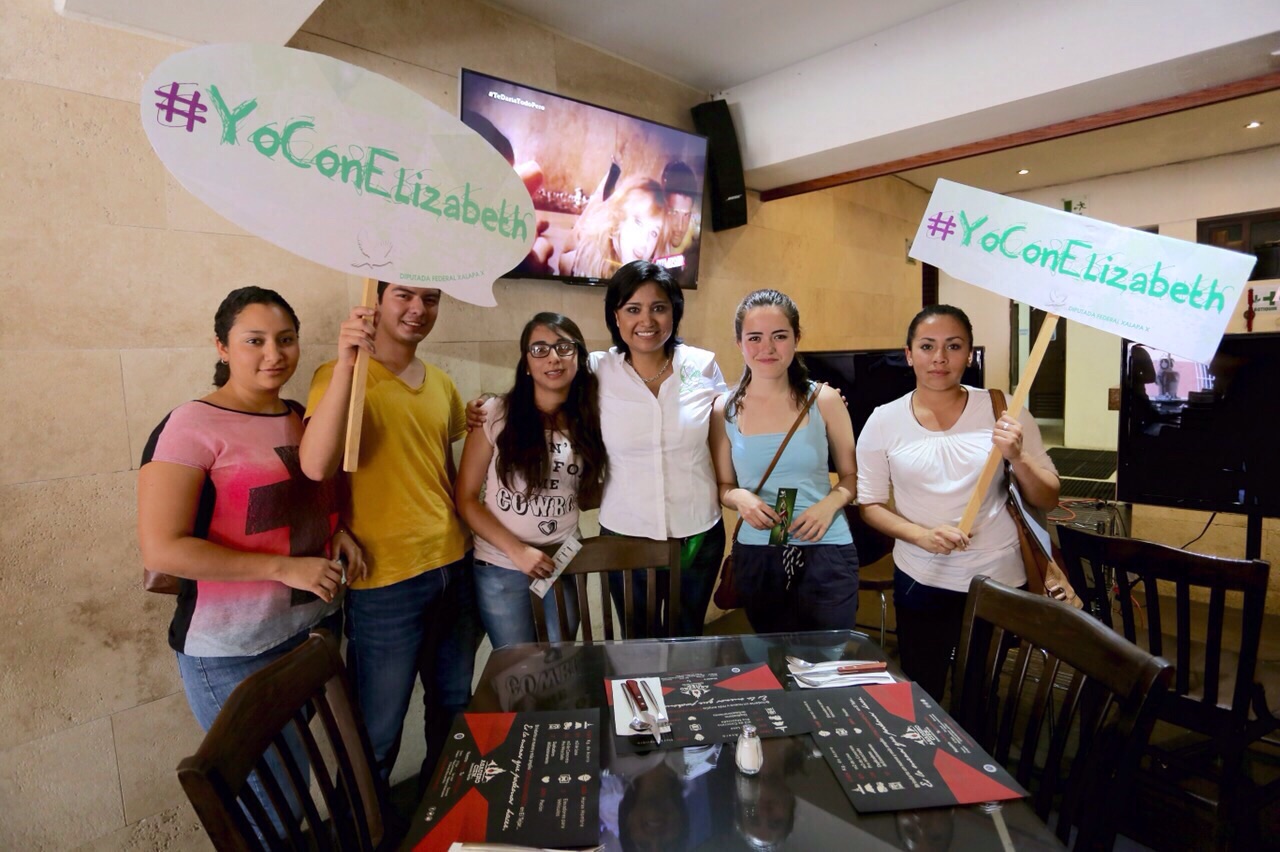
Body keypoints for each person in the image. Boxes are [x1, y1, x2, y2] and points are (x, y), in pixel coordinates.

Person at [136, 286, 357, 835]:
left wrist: (340, 531)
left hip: (309, 636)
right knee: (271, 808)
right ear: (222, 347)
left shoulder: (302, 416)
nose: (273, 354)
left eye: (286, 339)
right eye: (254, 341)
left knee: (294, 791)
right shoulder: (190, 425)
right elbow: (163, 548)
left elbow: (313, 495)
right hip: (232, 653)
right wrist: (281, 568)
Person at [468, 261, 727, 637]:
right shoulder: (597, 370)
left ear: (675, 311)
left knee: (689, 639)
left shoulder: (702, 366)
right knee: (638, 644)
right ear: (615, 317)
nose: (647, 320)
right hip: (626, 537)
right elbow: (543, 387)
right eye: (633, 309)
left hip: (699, 532)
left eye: (659, 307)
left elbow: (731, 428)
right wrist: (487, 407)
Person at [299, 282, 479, 783]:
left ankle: (440, 816)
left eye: (430, 299)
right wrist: (347, 364)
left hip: (454, 568)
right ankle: (365, 826)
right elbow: (315, 465)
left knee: (453, 712)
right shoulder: (337, 376)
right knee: (375, 736)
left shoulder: (442, 384)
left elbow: (442, 476)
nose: (418, 309)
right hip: (383, 582)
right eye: (404, 295)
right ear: (376, 302)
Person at [856, 305, 1059, 702]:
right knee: (922, 689)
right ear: (909, 354)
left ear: (969, 355)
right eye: (927, 346)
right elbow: (871, 504)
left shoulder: (1005, 410)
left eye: (953, 346)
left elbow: (1048, 497)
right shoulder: (883, 420)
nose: (940, 358)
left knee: (980, 692)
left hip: (997, 581)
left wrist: (1018, 456)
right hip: (921, 577)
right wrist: (920, 535)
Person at [710, 289, 859, 633]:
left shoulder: (824, 399)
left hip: (826, 547)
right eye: (754, 338)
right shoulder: (724, 409)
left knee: (828, 654)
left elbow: (851, 477)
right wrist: (740, 498)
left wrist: (828, 506)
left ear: (796, 338)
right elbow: (724, 485)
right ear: (739, 343)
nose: (767, 348)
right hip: (759, 552)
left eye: (779, 336)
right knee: (773, 653)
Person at [455, 312, 607, 647]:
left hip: (562, 561)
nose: (553, 357)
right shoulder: (494, 413)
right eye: (539, 349)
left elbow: (582, 497)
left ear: (579, 357)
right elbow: (465, 498)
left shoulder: (590, 420)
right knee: (518, 666)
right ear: (526, 363)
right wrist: (518, 551)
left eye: (564, 347)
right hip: (501, 564)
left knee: (560, 663)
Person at [561, 176, 666, 280]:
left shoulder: (649, 278)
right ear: (619, 218)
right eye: (638, 222)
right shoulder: (588, 259)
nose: (644, 241)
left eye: (654, 233)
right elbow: (563, 263)